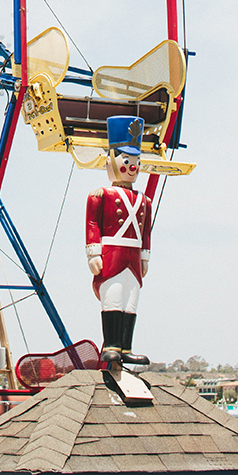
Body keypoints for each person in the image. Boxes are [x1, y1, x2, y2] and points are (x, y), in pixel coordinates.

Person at [86, 115, 151, 371]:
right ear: (112, 160)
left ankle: (125, 347)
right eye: (127, 160)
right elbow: (93, 225)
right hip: (112, 253)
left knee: (130, 301)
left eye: (136, 161)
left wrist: (145, 256)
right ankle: (111, 346)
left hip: (133, 258)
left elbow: (145, 232)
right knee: (112, 297)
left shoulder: (143, 200)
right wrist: (93, 252)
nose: (132, 166)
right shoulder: (101, 194)